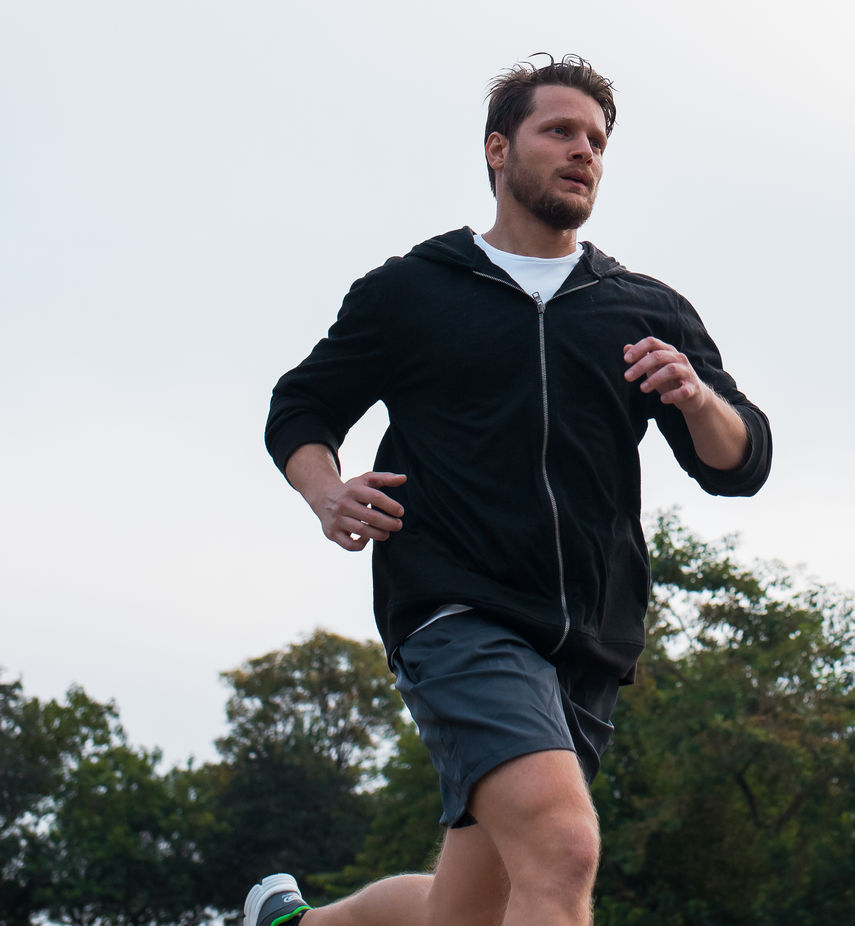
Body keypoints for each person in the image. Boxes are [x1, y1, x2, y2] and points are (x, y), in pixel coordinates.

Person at [248, 54, 771, 926]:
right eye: (559, 131)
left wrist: (696, 394)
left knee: (476, 908)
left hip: (589, 640)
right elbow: (300, 408)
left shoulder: (643, 310)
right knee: (564, 848)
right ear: (499, 150)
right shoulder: (411, 291)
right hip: (456, 612)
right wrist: (325, 491)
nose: (583, 153)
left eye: (597, 141)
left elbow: (740, 461)